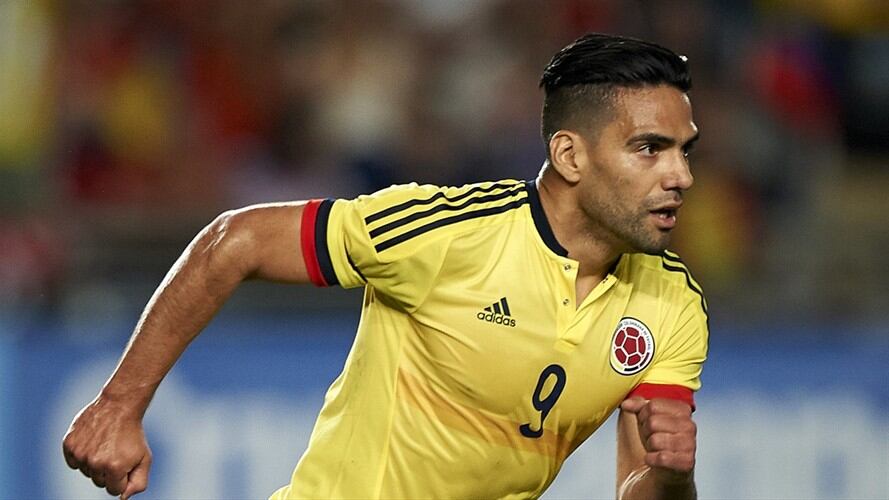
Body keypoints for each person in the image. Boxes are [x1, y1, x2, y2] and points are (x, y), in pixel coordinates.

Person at [63, 32, 708, 499]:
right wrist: (120, 406)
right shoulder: (449, 236)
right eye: (649, 149)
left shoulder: (672, 307)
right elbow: (239, 238)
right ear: (569, 155)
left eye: (684, 150)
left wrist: (671, 475)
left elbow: (643, 489)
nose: (679, 175)